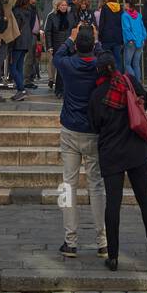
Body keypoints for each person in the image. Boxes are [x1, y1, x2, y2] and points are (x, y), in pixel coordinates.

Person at [88, 51, 147, 272]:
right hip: (137, 151)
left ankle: (112, 257)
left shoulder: (96, 95)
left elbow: (94, 125)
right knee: (146, 202)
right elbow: (145, 102)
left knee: (113, 205)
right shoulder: (129, 81)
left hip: (112, 155)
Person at [53, 23, 107, 260]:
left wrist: (70, 39)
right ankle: (102, 240)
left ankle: (70, 240)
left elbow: (57, 56)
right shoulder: (100, 67)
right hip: (95, 131)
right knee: (96, 186)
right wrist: (97, 40)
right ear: (93, 44)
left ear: (76, 44)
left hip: (71, 131)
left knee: (68, 184)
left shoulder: (68, 65)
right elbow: (109, 57)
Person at [44, 0, 72, 96]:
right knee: (60, 68)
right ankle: (59, 90)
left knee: (67, 68)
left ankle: (65, 89)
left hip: (69, 45)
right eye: (62, 5)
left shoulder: (71, 16)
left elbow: (74, 29)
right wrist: (49, 46)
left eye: (65, 5)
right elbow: (48, 32)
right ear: (58, 6)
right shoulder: (52, 17)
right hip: (57, 46)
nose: (64, 7)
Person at [10, 0, 33, 102]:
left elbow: (15, 28)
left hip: (18, 41)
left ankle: (21, 89)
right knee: (19, 67)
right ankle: (20, 92)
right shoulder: (28, 11)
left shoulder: (16, 12)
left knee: (12, 67)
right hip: (26, 41)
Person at [121, 0, 147, 81]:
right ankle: (138, 84)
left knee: (127, 64)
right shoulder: (138, 15)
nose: (123, 5)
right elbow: (143, 27)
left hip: (130, 42)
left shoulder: (125, 15)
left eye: (125, 3)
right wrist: (143, 38)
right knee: (136, 64)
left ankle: (134, 83)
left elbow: (126, 29)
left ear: (128, 4)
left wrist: (130, 39)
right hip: (140, 41)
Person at [97, 0, 125, 71]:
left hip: (107, 37)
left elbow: (102, 23)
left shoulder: (105, 7)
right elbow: (122, 23)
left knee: (106, 59)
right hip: (118, 37)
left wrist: (100, 36)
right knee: (118, 59)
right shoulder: (120, 8)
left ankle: (107, 77)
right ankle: (119, 78)